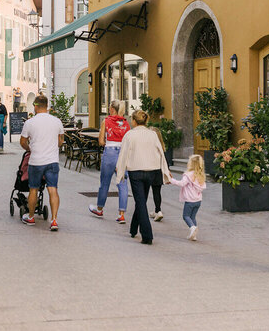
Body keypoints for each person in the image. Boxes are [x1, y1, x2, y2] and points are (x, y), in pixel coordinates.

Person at [113, 110, 171, 245]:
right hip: (151, 170)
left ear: (133, 121)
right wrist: (165, 170)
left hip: (136, 171)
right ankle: (133, 229)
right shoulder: (152, 134)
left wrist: (120, 171)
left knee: (140, 201)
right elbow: (160, 152)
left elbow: (124, 154)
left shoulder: (130, 135)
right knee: (142, 200)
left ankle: (147, 235)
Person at [19, 95, 64, 231]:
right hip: (52, 161)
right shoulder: (57, 121)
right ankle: (54, 220)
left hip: (36, 161)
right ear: (47, 106)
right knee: (53, 189)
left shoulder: (30, 122)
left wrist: (29, 148)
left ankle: (31, 217)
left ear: (36, 106)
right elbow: (60, 141)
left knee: (34, 189)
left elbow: (22, 141)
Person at [88, 100, 130, 224]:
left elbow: (101, 141)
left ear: (112, 109)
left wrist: (109, 143)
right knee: (122, 184)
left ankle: (99, 209)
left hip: (110, 152)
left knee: (104, 183)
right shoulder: (126, 124)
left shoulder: (106, 121)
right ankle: (121, 214)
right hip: (122, 153)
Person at [167, 154, 206, 241]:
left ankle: (192, 228)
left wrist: (171, 180)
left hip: (190, 200)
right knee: (193, 217)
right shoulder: (201, 175)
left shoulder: (188, 175)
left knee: (186, 216)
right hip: (198, 201)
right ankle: (194, 235)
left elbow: (181, 183)